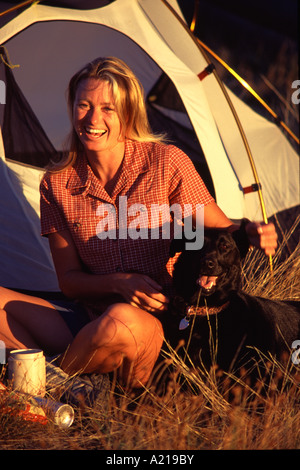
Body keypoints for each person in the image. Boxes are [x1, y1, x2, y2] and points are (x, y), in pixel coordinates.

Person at [0, 57, 277, 388]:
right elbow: (69, 282)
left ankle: (41, 386)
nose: (92, 119)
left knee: (121, 320)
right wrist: (119, 283)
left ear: (128, 113)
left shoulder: (166, 164)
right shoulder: (57, 184)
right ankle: (64, 383)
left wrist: (250, 231)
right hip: (89, 317)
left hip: (161, 322)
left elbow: (222, 232)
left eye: (107, 109)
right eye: (83, 105)